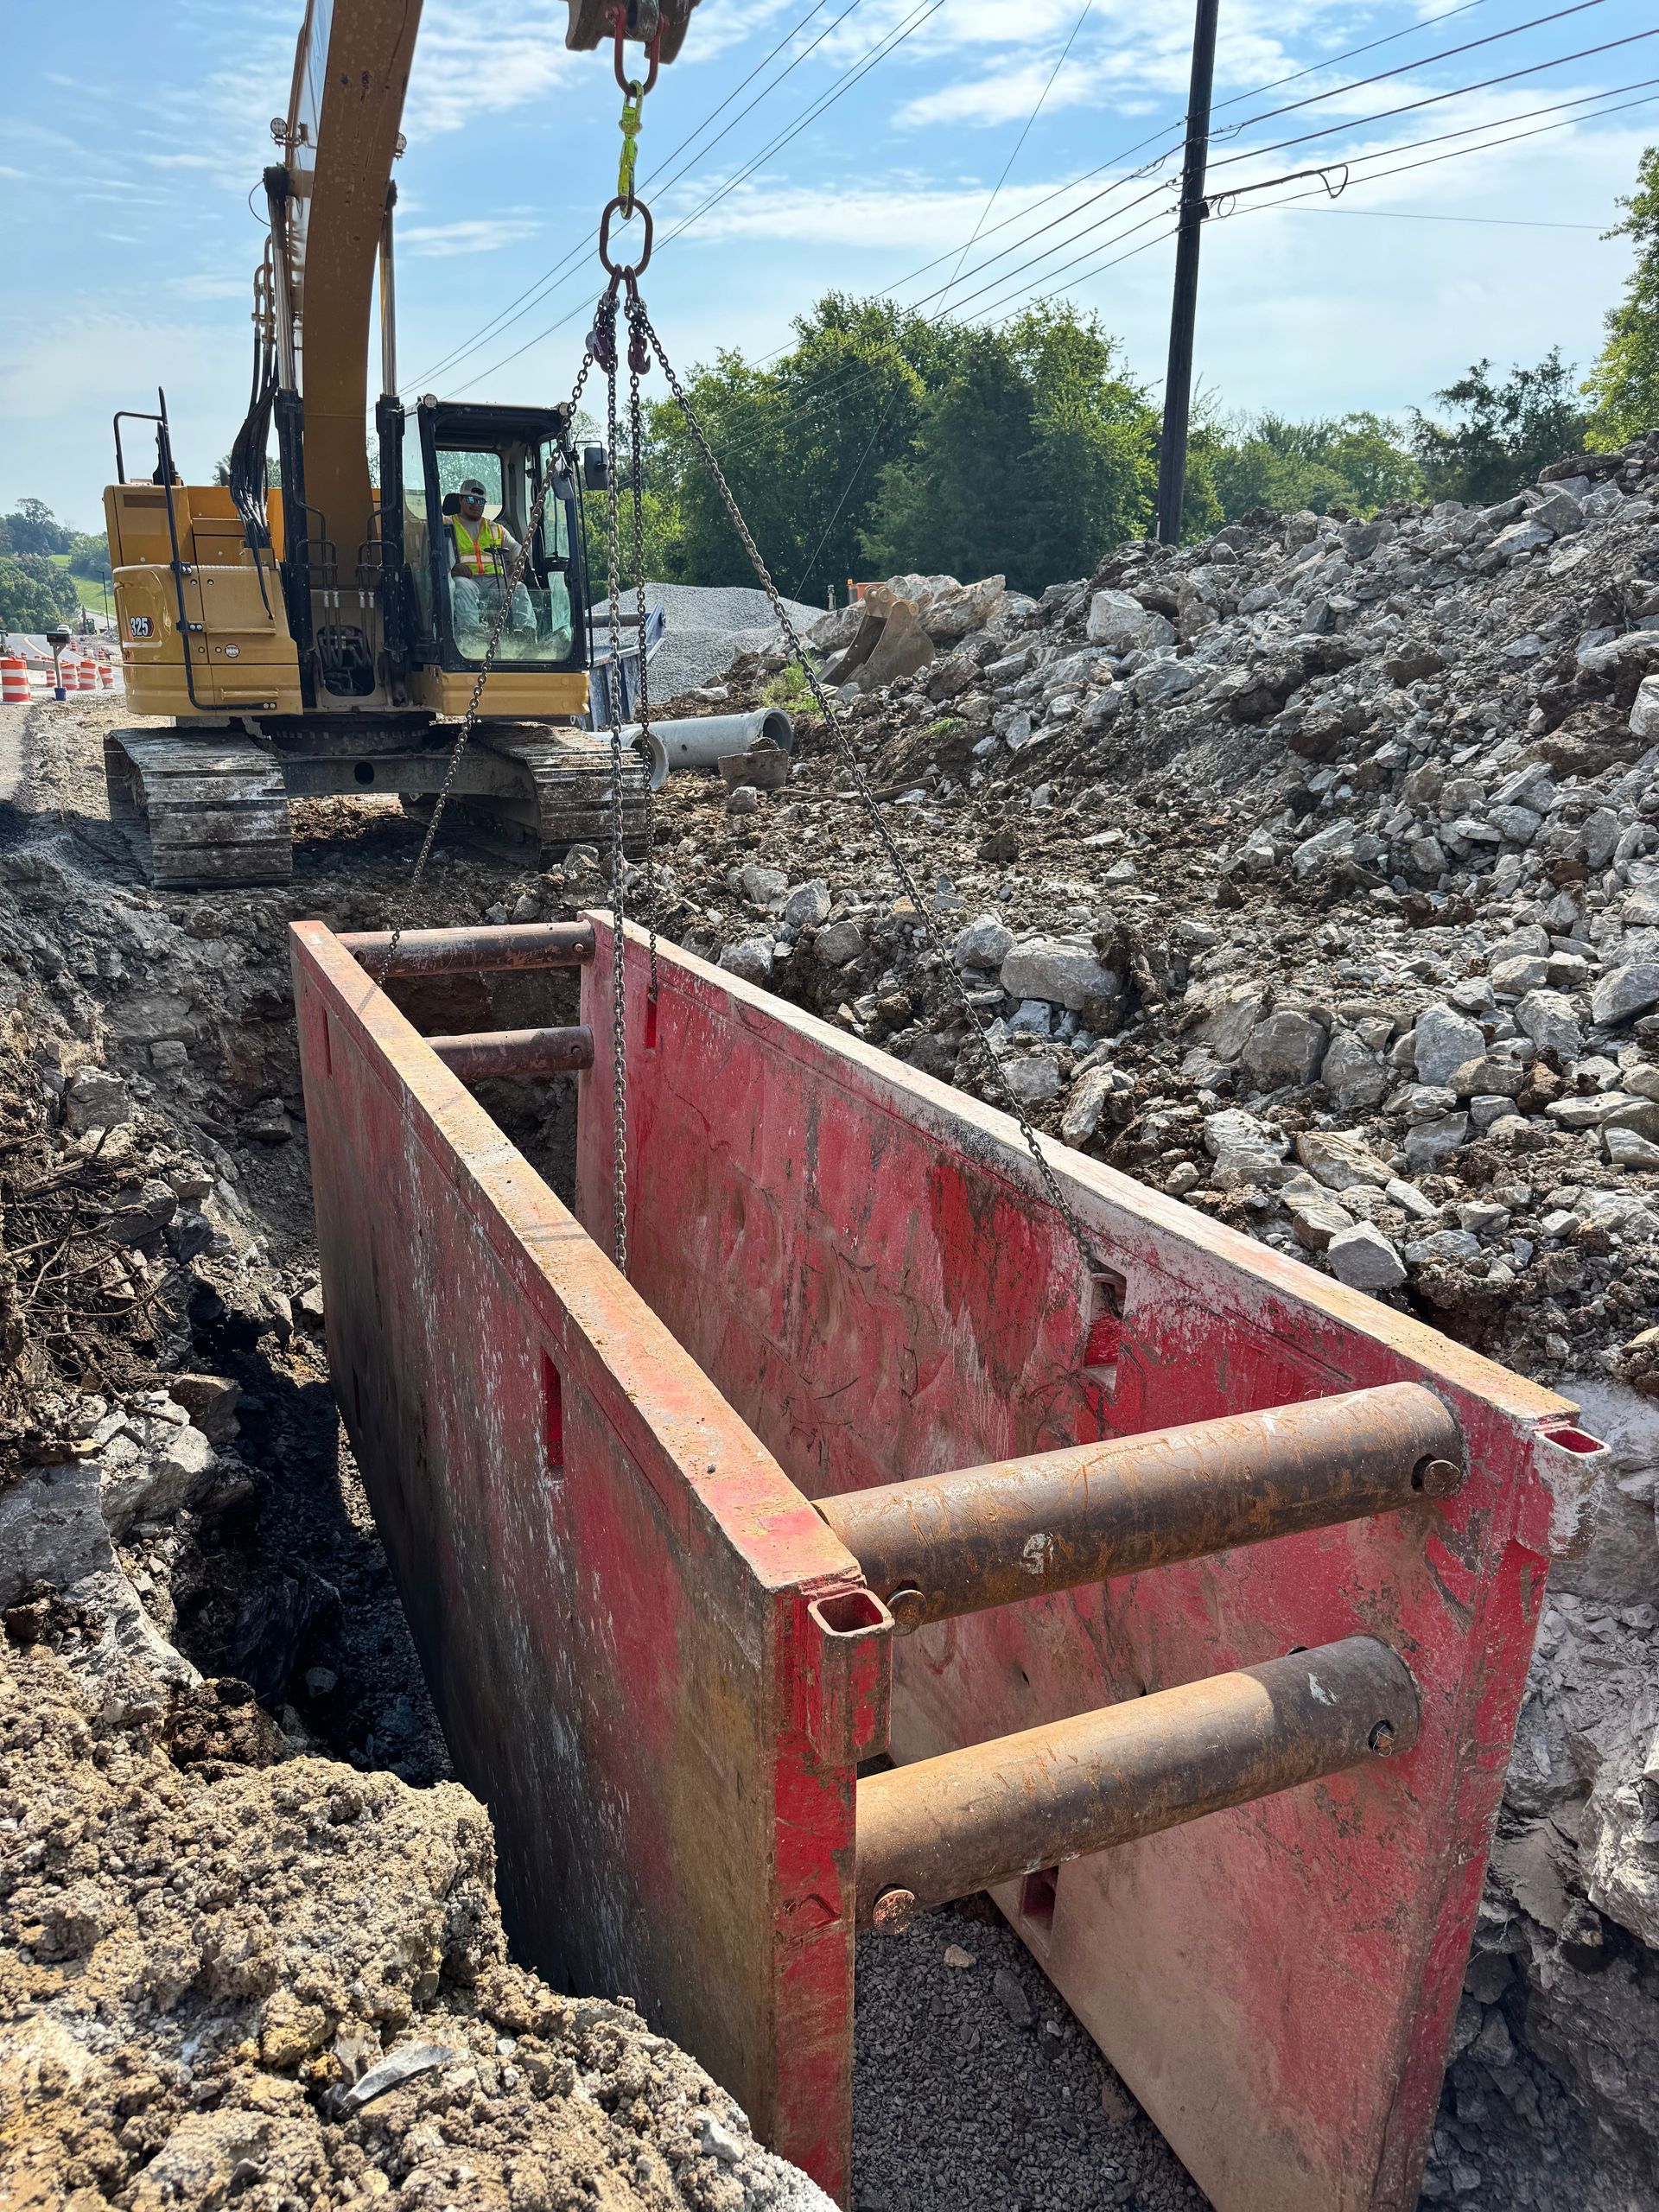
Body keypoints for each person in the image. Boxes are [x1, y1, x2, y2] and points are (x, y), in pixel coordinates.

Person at [448, 478, 536, 642]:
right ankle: (472, 634)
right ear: (460, 500)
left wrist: (517, 563)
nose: (476, 505)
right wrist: (454, 568)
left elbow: (517, 548)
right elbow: (436, 555)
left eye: (481, 501)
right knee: (461, 586)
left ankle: (526, 632)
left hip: (495, 582)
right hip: (467, 580)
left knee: (519, 588)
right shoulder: (447, 524)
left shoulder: (496, 528)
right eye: (471, 500)